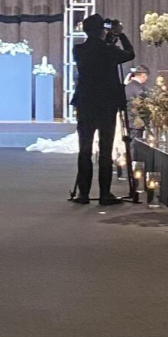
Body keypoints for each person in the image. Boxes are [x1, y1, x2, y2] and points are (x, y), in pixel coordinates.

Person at [69, 14, 135, 206]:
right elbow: (129, 54)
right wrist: (120, 35)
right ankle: (105, 194)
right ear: (101, 31)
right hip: (106, 103)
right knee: (105, 149)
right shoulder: (109, 50)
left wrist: (108, 38)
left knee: (85, 149)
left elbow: (98, 52)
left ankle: (83, 194)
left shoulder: (78, 49)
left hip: (86, 102)